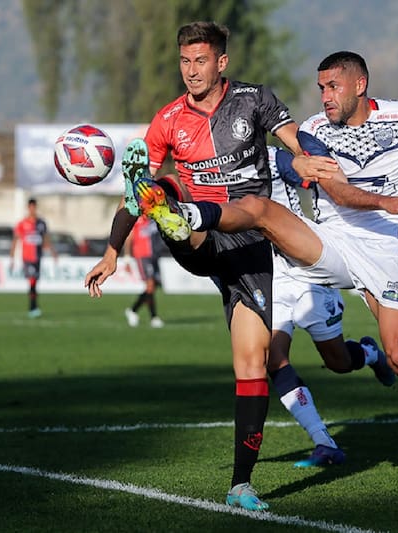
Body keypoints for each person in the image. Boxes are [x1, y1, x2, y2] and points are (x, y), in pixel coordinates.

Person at [133, 51, 398, 504]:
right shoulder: (313, 132)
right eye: (320, 88)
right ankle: (187, 217)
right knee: (262, 213)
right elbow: (334, 190)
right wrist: (382, 200)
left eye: (332, 86)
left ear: (360, 84)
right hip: (332, 241)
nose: (324, 97)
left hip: (388, 250)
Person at [84, 21, 302, 511]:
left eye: (200, 61)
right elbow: (130, 203)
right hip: (201, 236)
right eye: (184, 62)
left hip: (249, 244)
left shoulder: (254, 100)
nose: (191, 71)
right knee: (163, 195)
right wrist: (113, 249)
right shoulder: (167, 120)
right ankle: (171, 212)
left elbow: (295, 142)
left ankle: (241, 484)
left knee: (251, 364)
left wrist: (307, 162)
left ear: (221, 62)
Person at [266, 145, 396, 468]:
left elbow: (309, 173)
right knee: (273, 358)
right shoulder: (217, 170)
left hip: (308, 270)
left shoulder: (273, 157)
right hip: (271, 278)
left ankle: (369, 353)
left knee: (337, 361)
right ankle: (324, 441)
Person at [10, 197, 57, 318]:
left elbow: (46, 239)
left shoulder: (41, 223)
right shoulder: (22, 224)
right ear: (28, 208)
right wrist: (12, 257)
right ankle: (32, 307)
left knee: (35, 282)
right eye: (30, 207)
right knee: (32, 281)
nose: (32, 209)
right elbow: (15, 240)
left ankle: (34, 307)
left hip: (38, 257)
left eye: (34, 207)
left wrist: (53, 252)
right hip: (27, 257)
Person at [124, 213, 165, 328]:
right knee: (150, 285)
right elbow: (129, 238)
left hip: (154, 256)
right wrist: (127, 258)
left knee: (154, 285)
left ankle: (133, 310)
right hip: (142, 255)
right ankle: (154, 317)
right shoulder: (137, 219)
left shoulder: (154, 218)